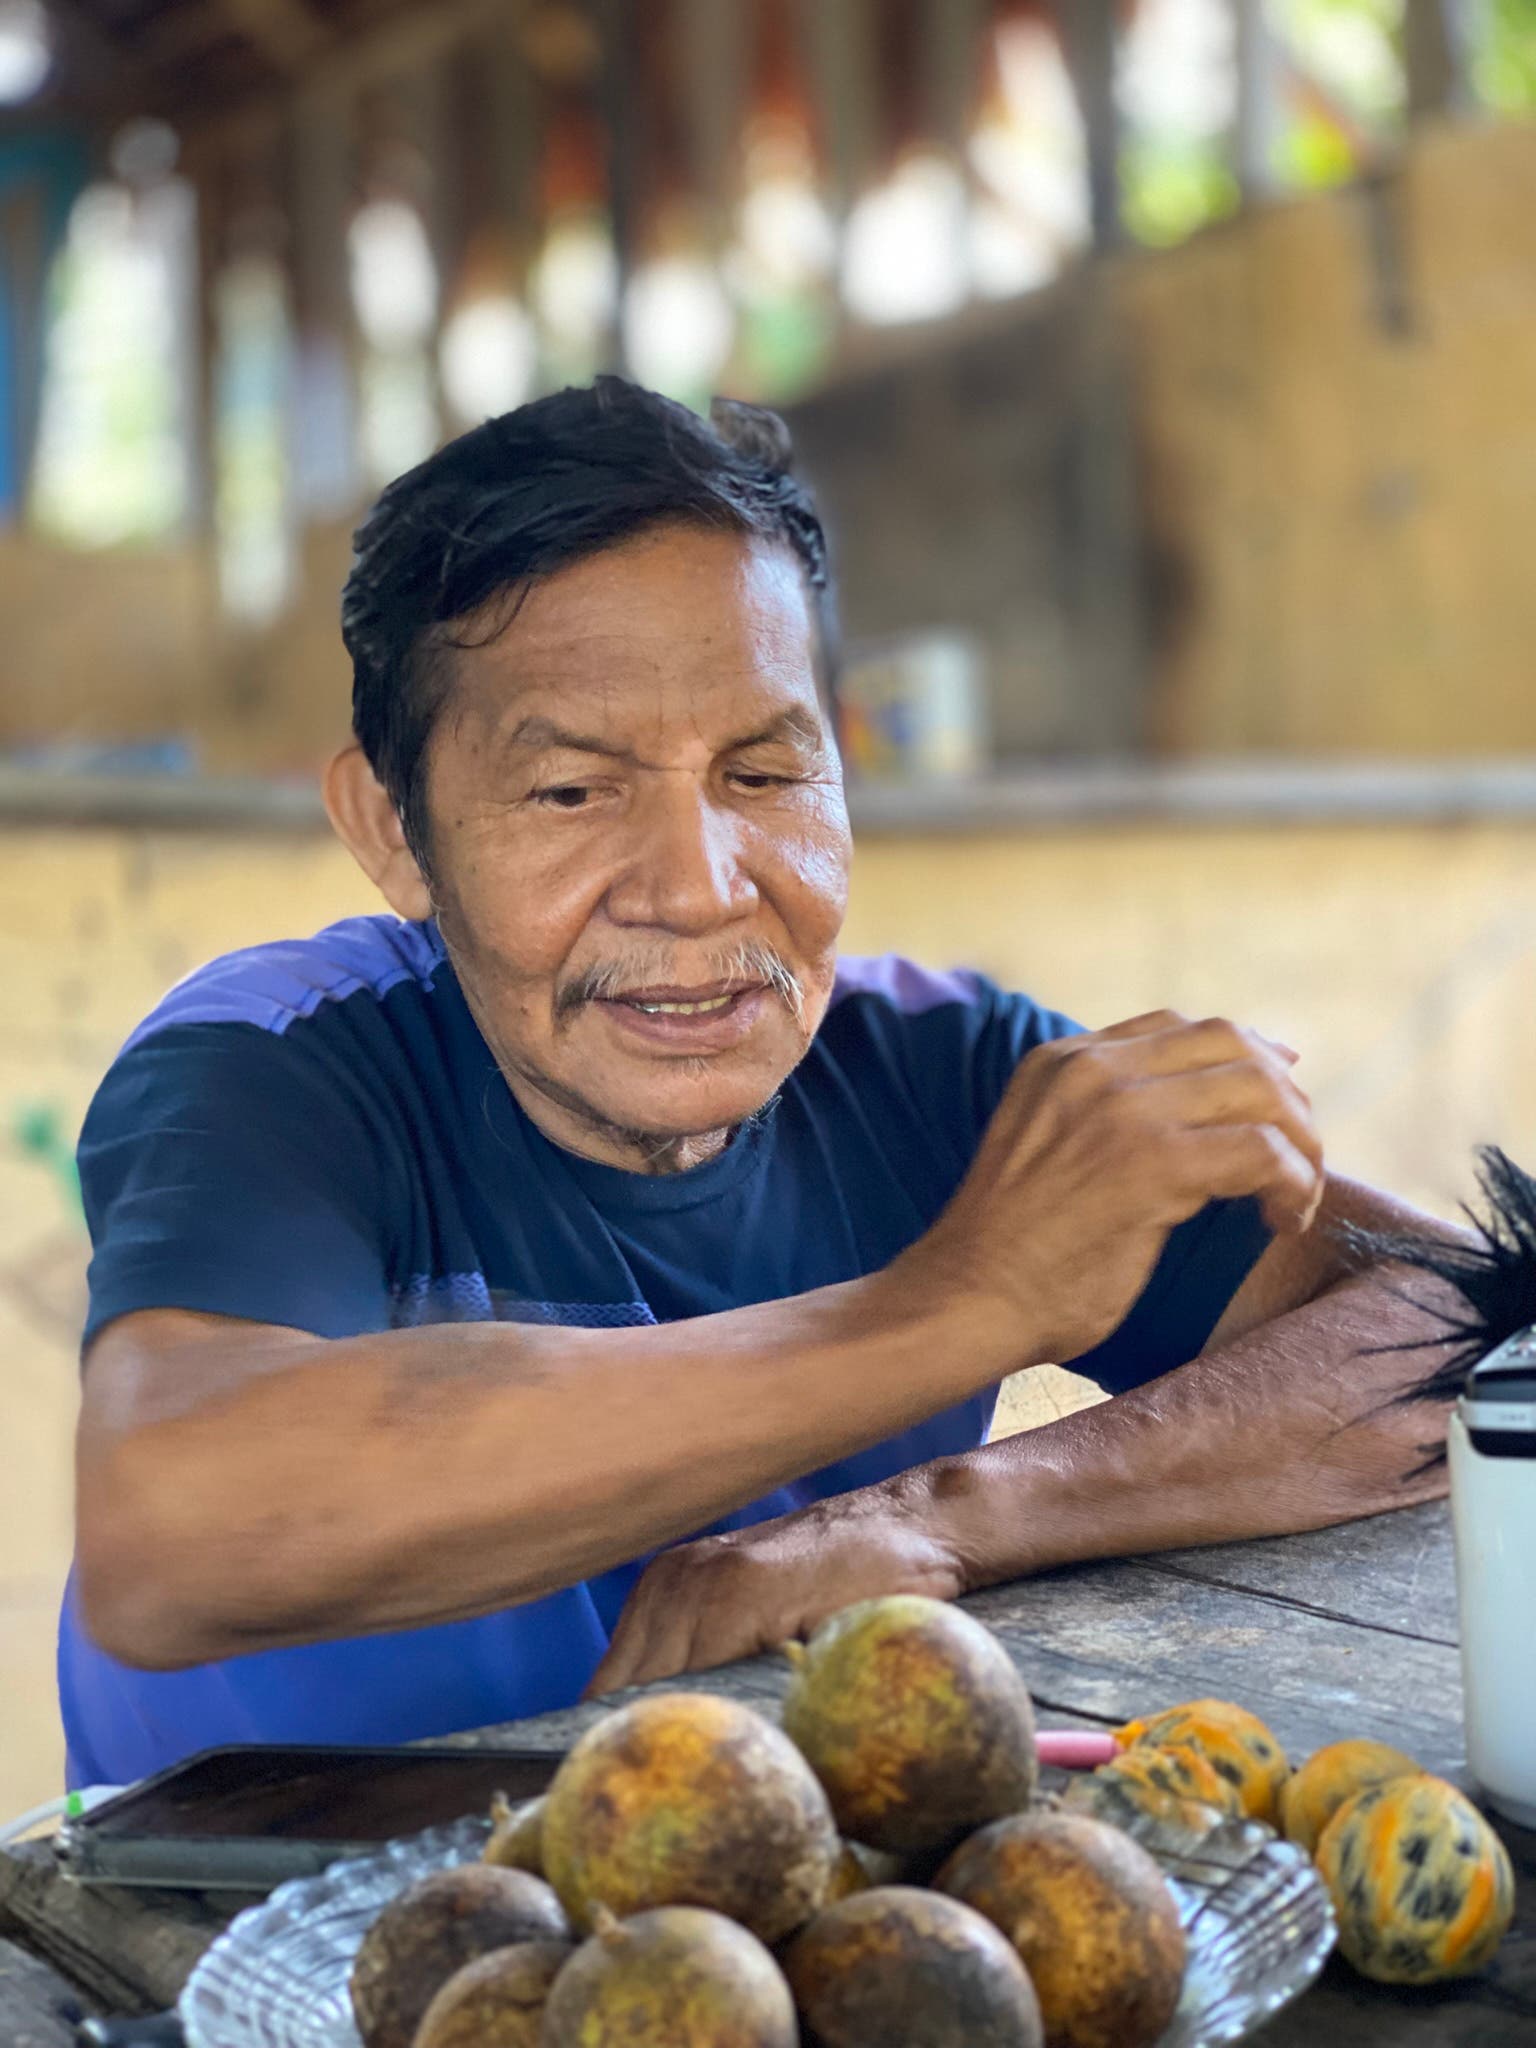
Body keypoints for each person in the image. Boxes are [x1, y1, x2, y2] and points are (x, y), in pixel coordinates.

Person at [65, 379, 1456, 1788]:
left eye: (763, 773)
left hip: (780, 1914)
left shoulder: (933, 1068)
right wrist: (959, 1302)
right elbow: (176, 1532)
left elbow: (1463, 1325)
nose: (698, 888)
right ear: (393, 828)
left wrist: (956, 1508)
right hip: (223, 1944)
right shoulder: (283, 1065)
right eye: (571, 793)